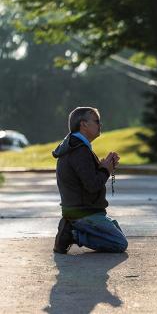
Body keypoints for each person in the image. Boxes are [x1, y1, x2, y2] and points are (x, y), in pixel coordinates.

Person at [52, 107, 127, 254]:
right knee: (119, 243)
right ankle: (72, 234)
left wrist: (102, 167)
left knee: (115, 229)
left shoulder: (75, 146)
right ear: (83, 124)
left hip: (82, 210)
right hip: (83, 213)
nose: (100, 125)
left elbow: (85, 179)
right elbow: (92, 185)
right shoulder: (79, 151)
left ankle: (73, 229)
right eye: (97, 121)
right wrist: (105, 170)